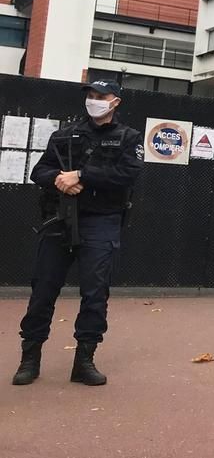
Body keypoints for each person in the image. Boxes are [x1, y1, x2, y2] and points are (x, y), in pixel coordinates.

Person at [12, 80, 143, 387]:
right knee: (43, 290)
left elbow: (128, 174)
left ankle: (84, 360)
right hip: (59, 219)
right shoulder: (65, 134)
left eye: (101, 96)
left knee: (95, 294)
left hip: (101, 221)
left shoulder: (128, 137)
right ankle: (29, 359)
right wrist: (60, 178)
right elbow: (39, 171)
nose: (94, 101)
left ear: (116, 102)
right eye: (91, 96)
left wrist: (83, 175)